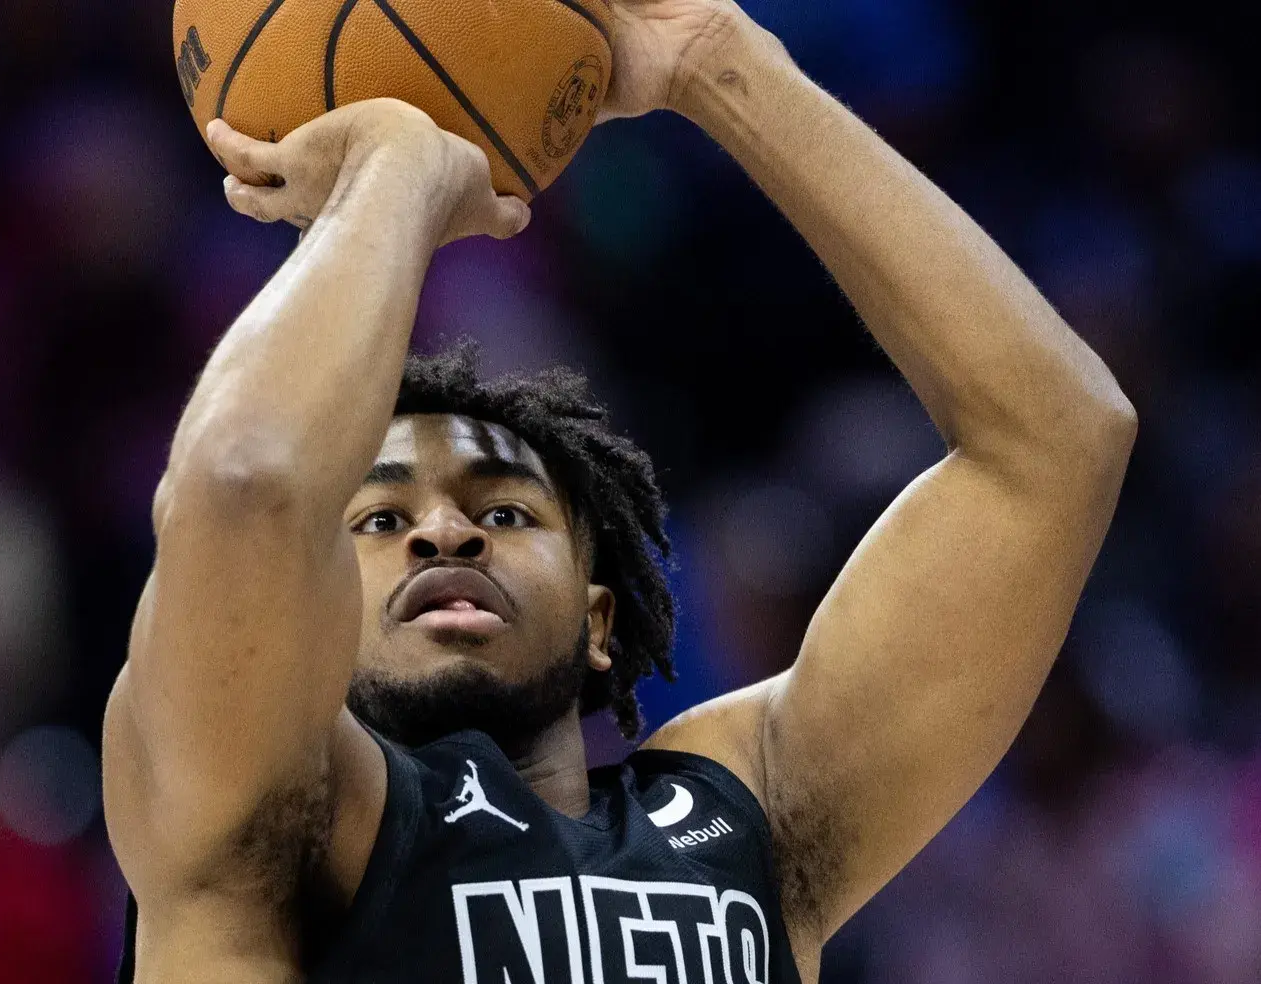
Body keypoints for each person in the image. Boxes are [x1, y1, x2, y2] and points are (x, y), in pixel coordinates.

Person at [102, 1, 1137, 981]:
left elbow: (1059, 440)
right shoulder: (268, 817)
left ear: (600, 616)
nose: (444, 533)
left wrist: (720, 64)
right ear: (305, 614)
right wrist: (399, 164)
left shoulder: (751, 816)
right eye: (380, 518)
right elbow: (245, 484)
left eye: (504, 511)